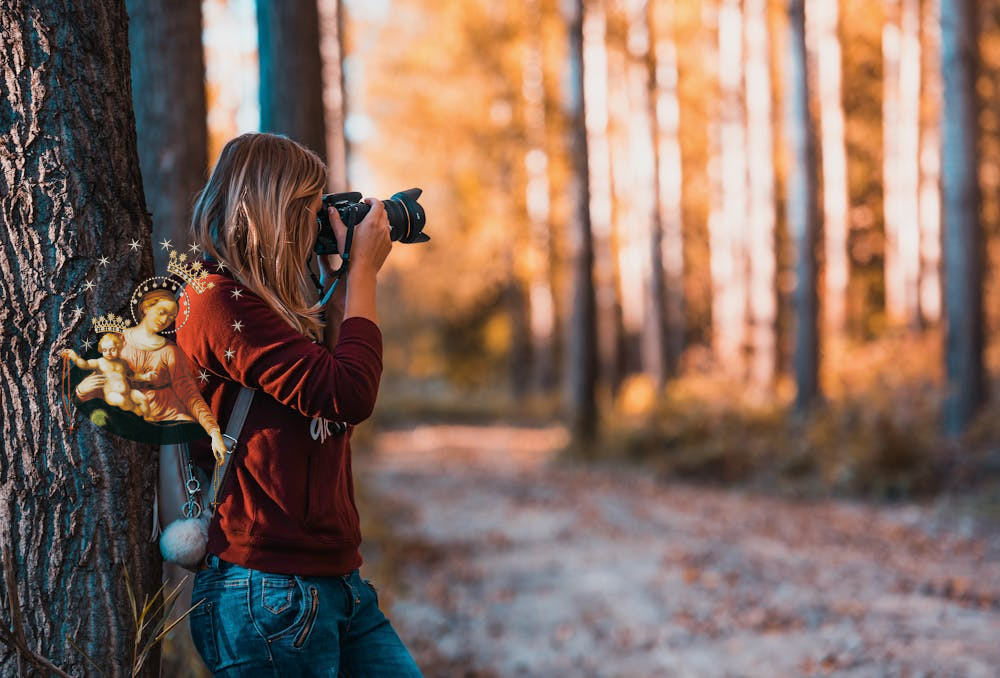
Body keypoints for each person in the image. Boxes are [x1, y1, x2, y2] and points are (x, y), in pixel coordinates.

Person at [175, 132, 421, 676]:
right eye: (312, 212)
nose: (318, 227)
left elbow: (332, 394)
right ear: (276, 212)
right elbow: (350, 394)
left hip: (337, 583)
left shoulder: (281, 309)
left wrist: (337, 278)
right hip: (265, 590)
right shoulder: (216, 301)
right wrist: (361, 276)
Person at [74, 289, 227, 459]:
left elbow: (188, 392)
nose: (164, 320)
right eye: (161, 312)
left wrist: (213, 431)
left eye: (170, 317)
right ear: (146, 308)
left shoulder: (169, 351)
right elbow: (104, 379)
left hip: (167, 424)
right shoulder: (118, 342)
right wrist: (81, 391)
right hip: (125, 432)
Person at [63, 332, 152, 418]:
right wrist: (74, 356)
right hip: (112, 395)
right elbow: (85, 365)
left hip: (128, 393)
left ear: (119, 348)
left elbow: (133, 376)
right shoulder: (100, 362)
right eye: (105, 350)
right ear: (101, 350)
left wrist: (146, 376)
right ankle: (135, 409)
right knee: (121, 400)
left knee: (143, 399)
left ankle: (148, 416)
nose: (108, 353)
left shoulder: (123, 363)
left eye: (112, 350)